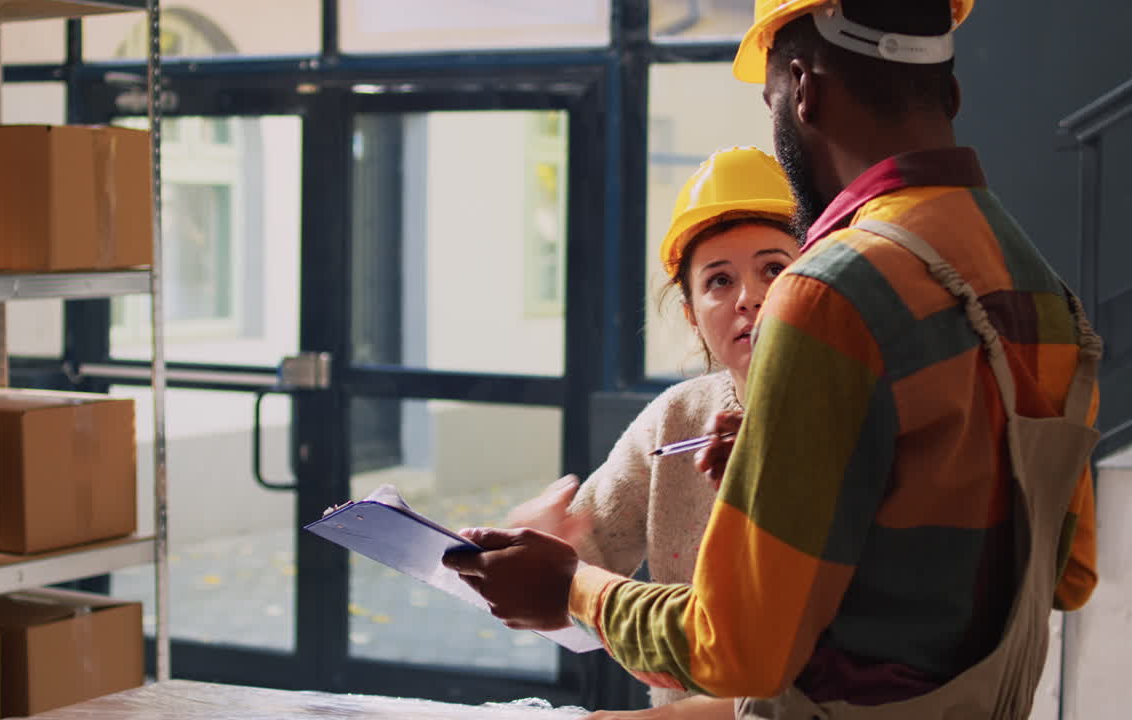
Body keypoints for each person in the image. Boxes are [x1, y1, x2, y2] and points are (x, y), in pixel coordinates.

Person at [444, 1, 1101, 718]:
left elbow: (739, 652)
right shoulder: (1038, 287)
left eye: (770, 98)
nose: (750, 296)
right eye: (718, 280)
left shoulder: (833, 292)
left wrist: (571, 588)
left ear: (802, 88)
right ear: (951, 92)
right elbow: (1066, 574)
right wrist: (823, 481)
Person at [506, 146, 798, 709]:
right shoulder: (675, 417)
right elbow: (585, 551)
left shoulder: (848, 416)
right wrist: (543, 546)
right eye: (718, 280)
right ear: (691, 313)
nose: (749, 298)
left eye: (774, 269)